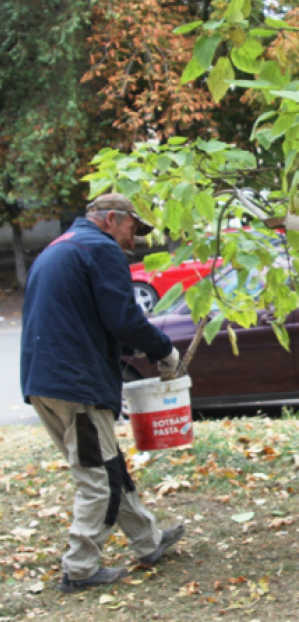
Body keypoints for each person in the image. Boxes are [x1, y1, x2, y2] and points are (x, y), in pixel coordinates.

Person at [20, 193, 186, 593]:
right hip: (76, 383)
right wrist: (164, 351)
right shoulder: (100, 249)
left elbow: (82, 317)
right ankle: (79, 569)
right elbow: (124, 318)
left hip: (44, 381)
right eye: (132, 228)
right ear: (112, 219)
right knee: (98, 478)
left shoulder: (59, 248)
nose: (134, 240)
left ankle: (147, 541)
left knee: (106, 466)